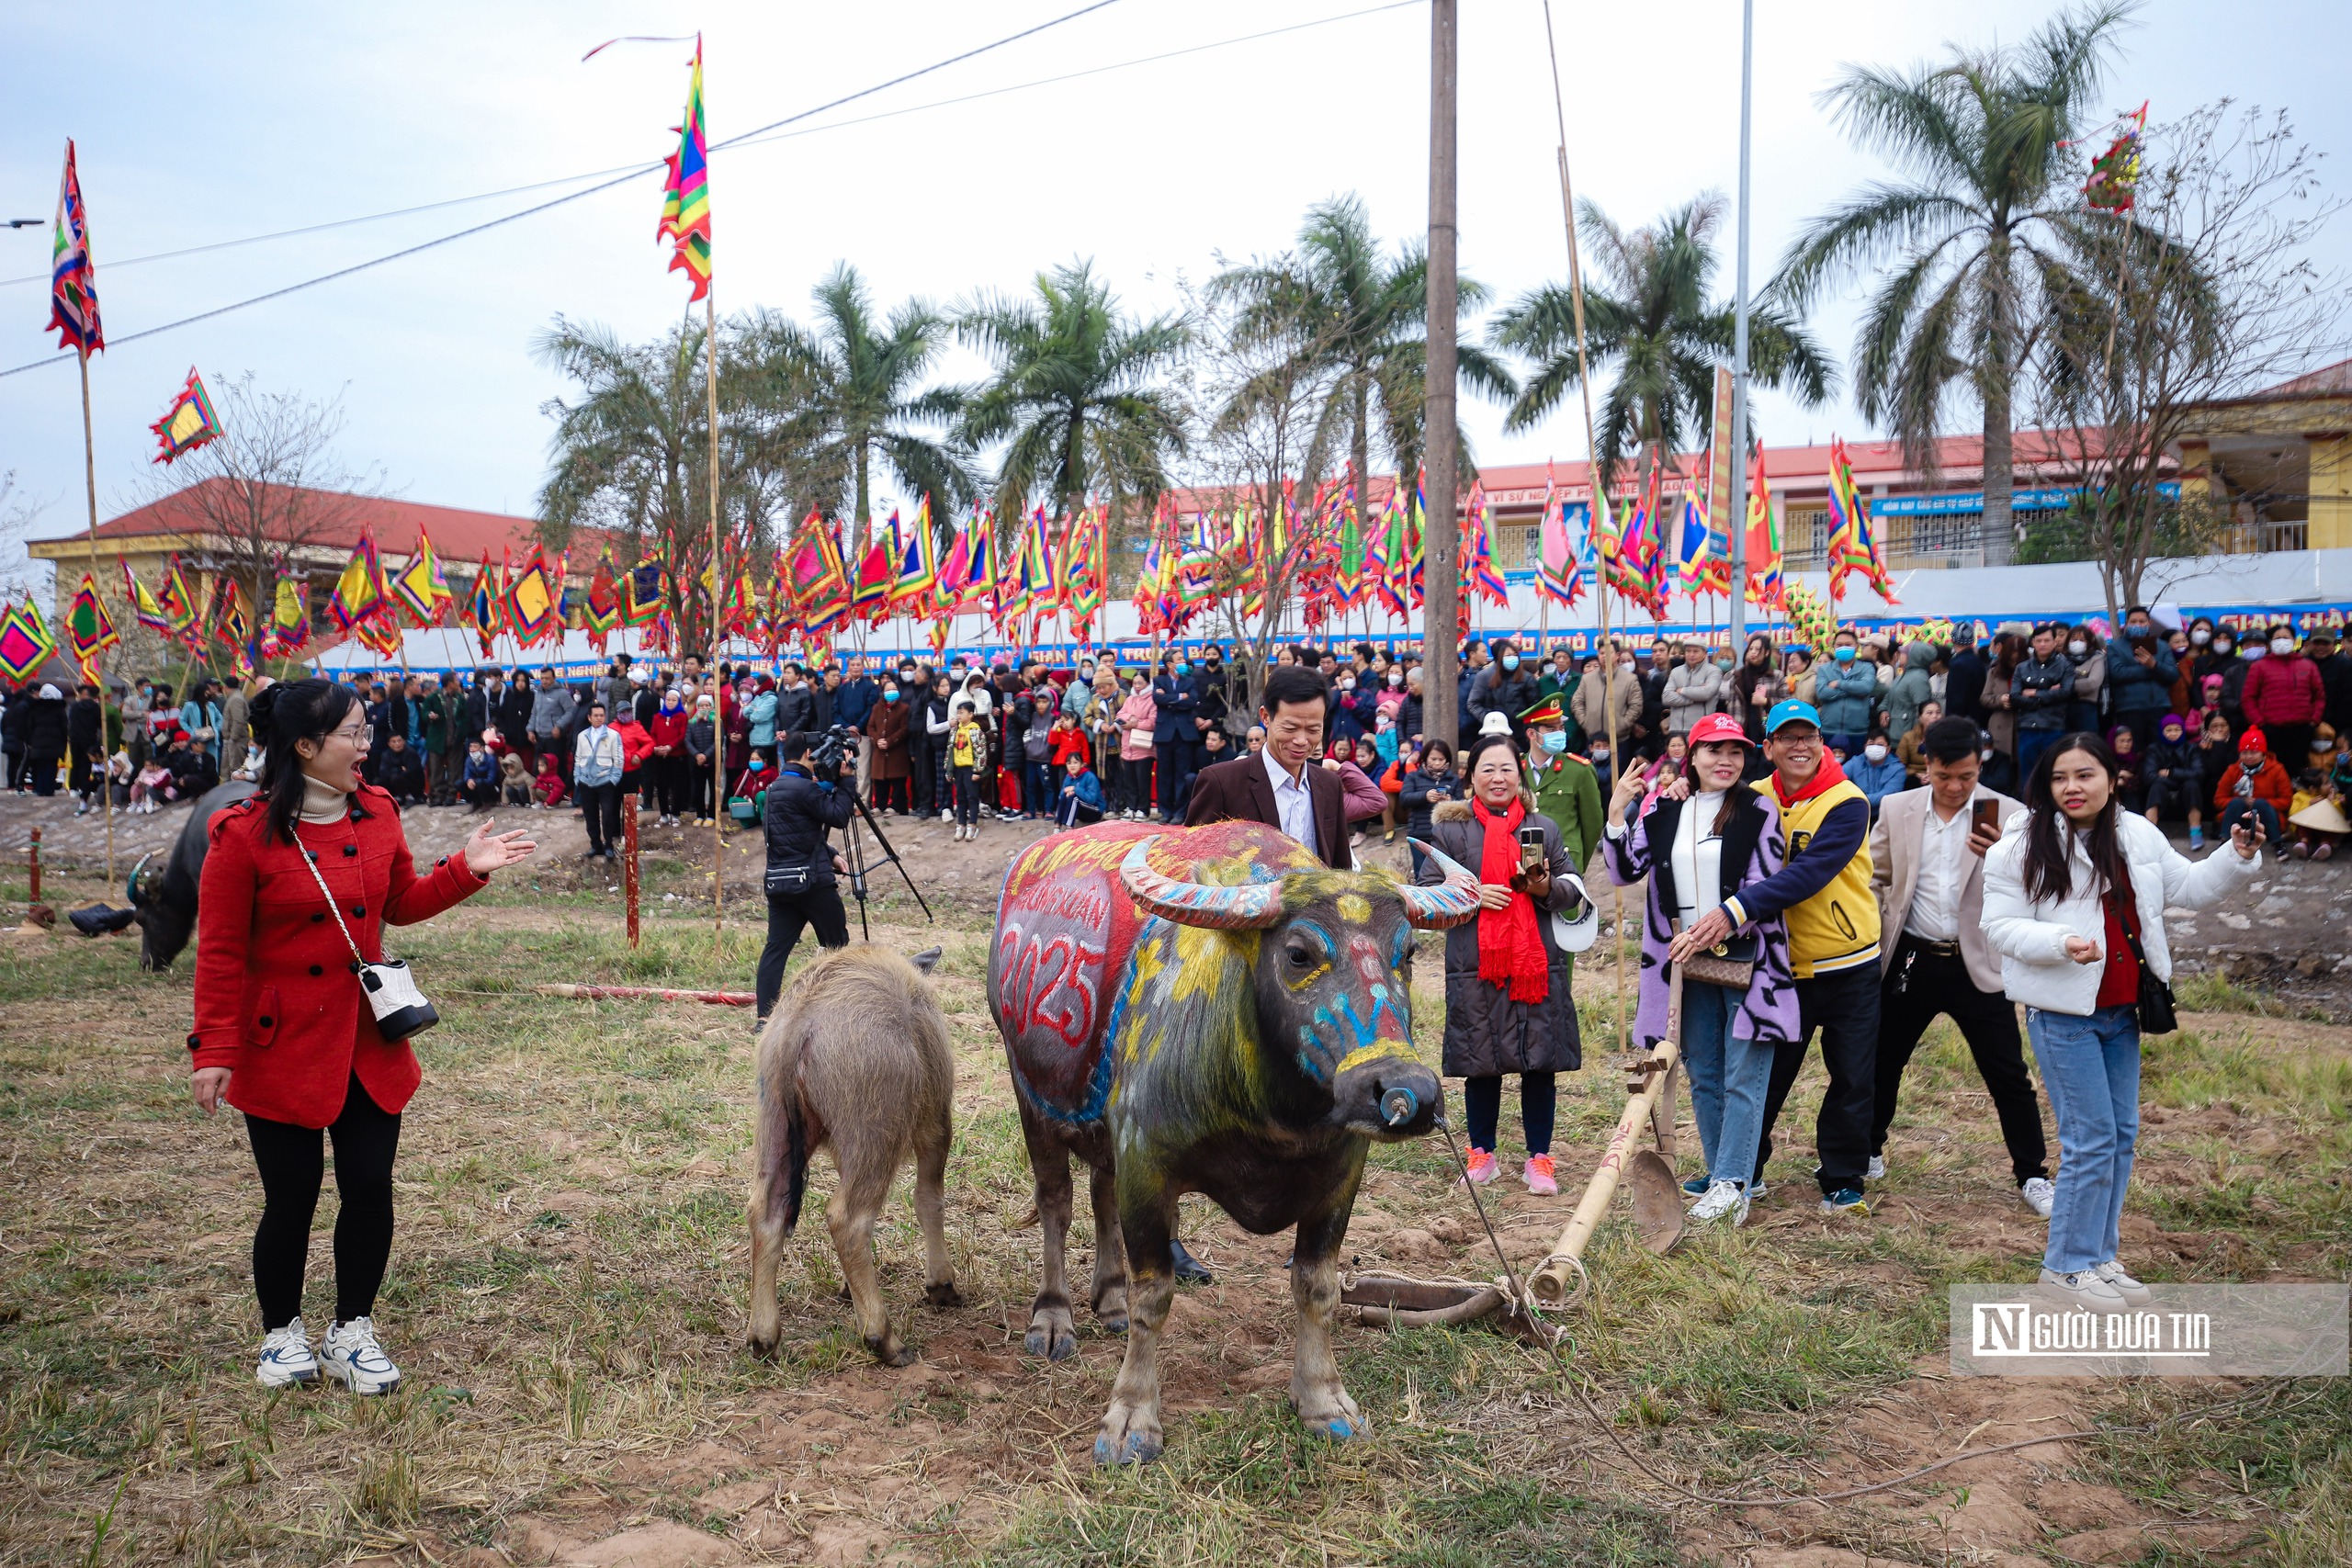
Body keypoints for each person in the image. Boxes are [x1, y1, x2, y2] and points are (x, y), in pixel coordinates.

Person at [189, 678, 534, 1392]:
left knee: (370, 1187)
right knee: (292, 1196)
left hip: (367, 1043)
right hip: (279, 1046)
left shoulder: (376, 812)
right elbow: (220, 954)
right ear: (306, 746)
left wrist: (465, 870)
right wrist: (214, 1051)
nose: (366, 744)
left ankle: (352, 1329)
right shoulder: (242, 836)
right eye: (353, 732)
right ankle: (281, 1333)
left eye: (366, 729)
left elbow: (401, 903)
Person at [1982, 732, 2262, 1310]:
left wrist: (2234, 856)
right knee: (2090, 1141)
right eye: (2060, 778)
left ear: (2112, 778)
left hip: (2123, 1011)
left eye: (2084, 775)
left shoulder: (2136, 833)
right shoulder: (2019, 846)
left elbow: (2186, 887)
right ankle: (2065, 1267)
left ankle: (2099, 1258)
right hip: (2063, 1015)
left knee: (2121, 1137)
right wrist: (2062, 942)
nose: (2072, 788)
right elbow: (2000, 926)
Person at [1679, 700, 1881, 1213]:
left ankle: (1842, 1173)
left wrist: (1734, 910)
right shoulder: (1754, 796)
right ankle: (1744, 1173)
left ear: (1822, 743)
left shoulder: (1848, 801)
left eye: (1808, 736)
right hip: (1777, 965)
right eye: (1786, 738)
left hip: (1847, 958)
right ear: (1767, 748)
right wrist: (1680, 791)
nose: (1799, 747)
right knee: (1760, 1073)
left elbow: (1809, 873)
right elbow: (1700, 815)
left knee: (1852, 1074)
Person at [1602, 713, 1799, 1224]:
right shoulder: (1666, 808)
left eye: (1735, 752)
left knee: (1744, 1073)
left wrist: (1718, 927)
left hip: (1748, 957)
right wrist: (1619, 811)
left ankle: (1734, 1181)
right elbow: (1625, 869)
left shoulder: (1758, 810)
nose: (1726, 761)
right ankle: (1720, 1179)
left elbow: (1764, 886)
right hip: (1682, 964)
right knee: (1704, 1073)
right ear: (1692, 756)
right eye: (1714, 750)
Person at [1866, 718, 2052, 1213]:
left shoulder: (2008, 814)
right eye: (1945, 775)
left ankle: (2032, 1172)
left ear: (1980, 765)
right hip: (1911, 957)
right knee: (1882, 1061)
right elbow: (1876, 876)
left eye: (1966, 777)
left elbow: (2037, 889)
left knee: (2007, 1072)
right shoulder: (1896, 807)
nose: (1954, 787)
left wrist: (2004, 862)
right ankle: (1868, 1147)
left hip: (1979, 963)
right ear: (1927, 766)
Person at [1421, 732, 1589, 1195]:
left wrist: (1542, 889)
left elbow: (1574, 886)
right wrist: (1474, 894)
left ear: (1520, 774)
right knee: (1482, 1059)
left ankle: (1539, 1157)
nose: (1498, 778)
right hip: (1476, 964)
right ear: (1470, 777)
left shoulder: (1543, 827)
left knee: (1540, 1061)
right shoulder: (1450, 832)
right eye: (1487, 769)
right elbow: (1428, 897)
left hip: (1537, 964)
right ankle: (1483, 1154)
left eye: (1507, 769)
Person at [1184, 665, 1348, 868]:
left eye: (1313, 729)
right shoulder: (1222, 784)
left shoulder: (1329, 784)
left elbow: (1341, 870)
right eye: (1290, 728)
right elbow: (1191, 868)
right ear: (1265, 717)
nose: (1301, 740)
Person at [755, 729, 856, 1021]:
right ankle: (839, 1009)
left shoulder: (774, 790)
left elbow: (796, 835)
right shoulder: (805, 789)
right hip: (812, 883)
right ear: (807, 755)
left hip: (779, 882)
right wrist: (847, 780)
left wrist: (830, 853)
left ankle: (764, 1018)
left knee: (776, 949)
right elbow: (838, 815)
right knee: (837, 946)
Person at [1520, 695, 1602, 876]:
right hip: (1523, 866)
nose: (1559, 733)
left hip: (1564, 866)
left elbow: (1593, 826)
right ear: (1532, 734)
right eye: (1551, 728)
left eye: (1561, 727)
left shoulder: (1579, 770)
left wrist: (1577, 864)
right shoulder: (1514, 770)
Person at [2242, 624, 2325, 777]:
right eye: (2277, 638)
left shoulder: (2308, 666)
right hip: (2271, 730)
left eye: (2286, 637)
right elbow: (2248, 698)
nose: (2282, 641)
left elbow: (2319, 697)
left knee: (2298, 772)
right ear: (2270, 642)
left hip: (2302, 730)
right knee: (2272, 773)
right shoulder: (2259, 667)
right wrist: (2260, 723)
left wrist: (2314, 721)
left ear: (2294, 640)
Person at [2211, 728, 2290, 855]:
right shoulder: (2233, 770)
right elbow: (2219, 800)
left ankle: (2278, 844)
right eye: (2244, 752)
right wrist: (2243, 801)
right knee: (2237, 803)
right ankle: (2224, 841)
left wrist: (2260, 803)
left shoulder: (2277, 770)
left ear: (2263, 753)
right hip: (2239, 819)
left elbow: (2286, 801)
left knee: (2260, 805)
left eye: (2253, 752)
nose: (2248, 757)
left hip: (2266, 818)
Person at [2009, 626, 2076, 777]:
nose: (2042, 644)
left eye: (2047, 640)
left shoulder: (2065, 666)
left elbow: (2065, 692)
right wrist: (2047, 694)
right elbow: (2014, 697)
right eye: (2038, 641)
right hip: (2027, 727)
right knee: (2028, 776)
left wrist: (2034, 693)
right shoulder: (2022, 668)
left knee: (2053, 774)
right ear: (2032, 642)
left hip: (2054, 727)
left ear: (2054, 642)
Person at [1150, 655, 1203, 823]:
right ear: (1170, 664)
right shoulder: (1159, 680)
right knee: (1164, 774)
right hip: (1164, 733)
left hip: (1184, 734)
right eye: (1179, 659)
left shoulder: (1190, 681)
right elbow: (1158, 699)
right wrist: (1180, 697)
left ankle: (1180, 812)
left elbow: (1193, 701)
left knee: (1182, 774)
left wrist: (1170, 699)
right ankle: (1165, 811)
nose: (1183, 662)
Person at [1813, 631, 1880, 756]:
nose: (1844, 647)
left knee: (1855, 770)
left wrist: (1839, 683)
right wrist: (1853, 689)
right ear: (1834, 647)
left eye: (1848, 644)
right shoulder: (1825, 669)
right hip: (1829, 730)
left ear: (1857, 647)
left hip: (1857, 732)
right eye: (1839, 645)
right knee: (1828, 769)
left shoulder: (1866, 668)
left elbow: (1865, 687)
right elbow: (1822, 693)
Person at [572, 704, 625, 862]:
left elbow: (619, 759)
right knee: (590, 815)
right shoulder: (582, 736)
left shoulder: (613, 735)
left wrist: (613, 779)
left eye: (602, 715)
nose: (599, 718)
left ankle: (608, 845)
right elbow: (578, 758)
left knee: (608, 814)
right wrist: (578, 777)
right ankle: (595, 845)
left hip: (605, 781)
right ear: (589, 717)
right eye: (596, 715)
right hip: (586, 781)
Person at [1664, 640, 1726, 739]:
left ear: (1705, 653)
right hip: (1676, 730)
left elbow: (1706, 693)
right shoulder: (1676, 672)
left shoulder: (1713, 671)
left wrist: (1683, 691)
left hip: (1702, 729)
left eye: (1695, 651)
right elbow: (1666, 697)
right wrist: (1694, 698)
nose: (1691, 654)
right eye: (1688, 651)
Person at [867, 677, 911, 815]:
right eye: (888, 690)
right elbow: (870, 726)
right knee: (880, 781)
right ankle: (880, 806)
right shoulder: (876, 708)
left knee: (897, 781)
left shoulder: (904, 708)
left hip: (897, 751)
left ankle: (896, 806)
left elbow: (904, 729)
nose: (891, 692)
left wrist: (890, 741)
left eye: (894, 689)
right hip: (879, 751)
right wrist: (877, 740)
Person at [1848, 730, 1911, 818]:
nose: (1874, 748)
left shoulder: (1898, 769)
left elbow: (1886, 795)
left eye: (1880, 745)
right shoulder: (1856, 761)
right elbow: (1838, 777)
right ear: (1865, 747)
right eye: (1871, 744)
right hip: (1856, 811)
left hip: (1884, 815)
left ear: (1888, 749)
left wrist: (1854, 800)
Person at [22, 683, 68, 795]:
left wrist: (30, 741)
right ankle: (48, 790)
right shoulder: (59, 709)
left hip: (38, 742)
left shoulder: (34, 708)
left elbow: (29, 726)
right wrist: (64, 743)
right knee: (51, 767)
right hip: (54, 742)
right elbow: (64, 727)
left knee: (40, 766)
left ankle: (39, 789)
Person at [67, 682, 105, 813]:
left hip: (75, 739)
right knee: (86, 765)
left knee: (75, 763)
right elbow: (100, 724)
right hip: (89, 740)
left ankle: (73, 787)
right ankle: (83, 786)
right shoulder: (96, 708)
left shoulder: (75, 707)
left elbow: (70, 721)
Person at [1054, 750, 1106, 829]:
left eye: (1075, 762)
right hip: (1081, 812)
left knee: (1074, 798)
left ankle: (1069, 827)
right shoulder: (1068, 777)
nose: (1072, 766)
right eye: (1069, 763)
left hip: (1095, 811)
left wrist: (1075, 789)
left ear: (1082, 764)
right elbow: (1061, 797)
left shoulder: (1089, 776)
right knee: (1065, 797)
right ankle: (1057, 826)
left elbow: (1091, 799)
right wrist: (1065, 792)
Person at [376, 733, 426, 806]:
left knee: (396, 778)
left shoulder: (411, 753)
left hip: (412, 785)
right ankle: (391, 798)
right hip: (395, 782)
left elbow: (411, 772)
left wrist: (393, 772)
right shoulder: (386, 754)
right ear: (389, 744)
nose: (397, 744)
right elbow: (383, 772)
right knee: (378, 781)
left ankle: (406, 798)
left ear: (404, 741)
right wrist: (399, 769)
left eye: (399, 741)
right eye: (394, 741)